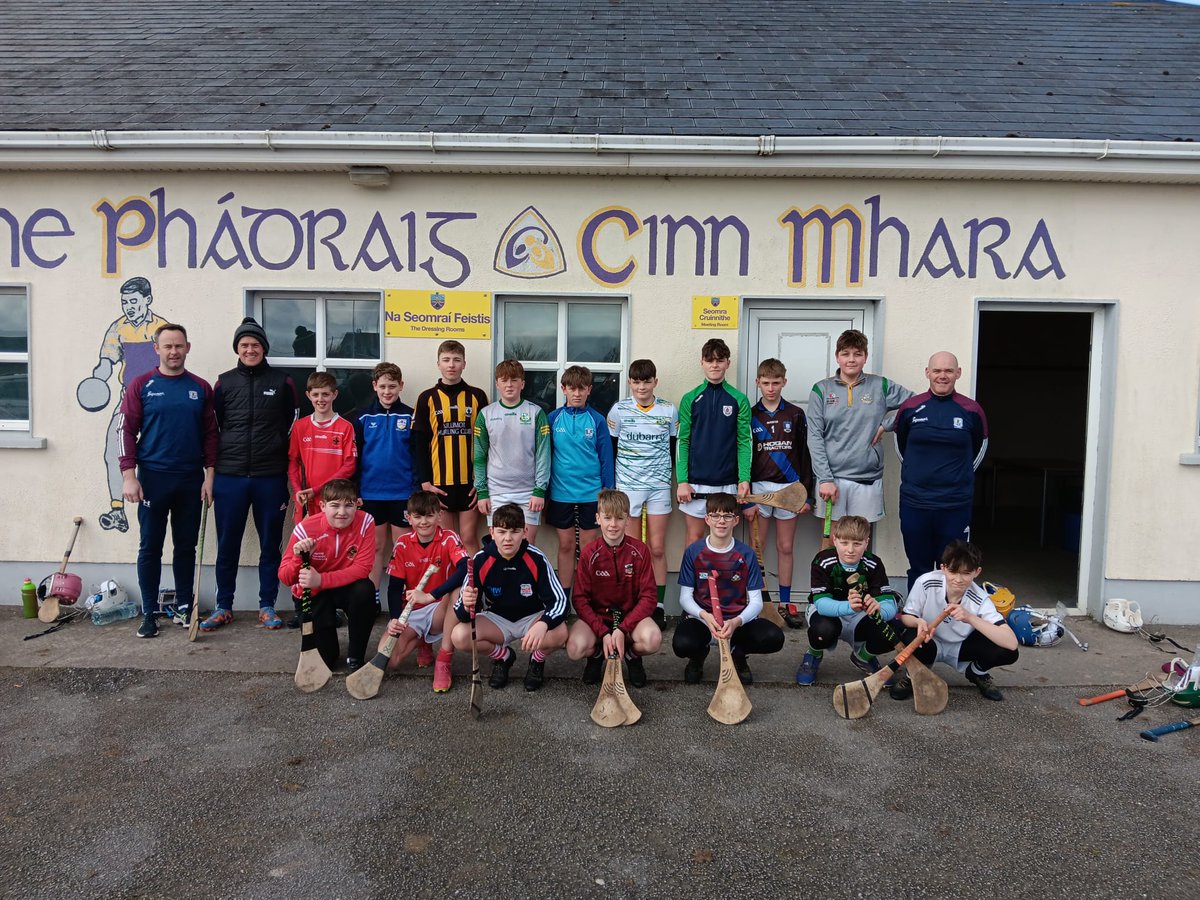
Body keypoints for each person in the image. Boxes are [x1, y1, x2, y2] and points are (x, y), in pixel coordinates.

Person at [117, 323, 217, 638]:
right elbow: (125, 431)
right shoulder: (141, 385)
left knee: (186, 547)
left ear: (188, 347)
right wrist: (129, 476)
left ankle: (185, 606)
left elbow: (212, 435)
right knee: (150, 547)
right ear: (156, 349)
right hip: (153, 479)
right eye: (167, 346)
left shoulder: (200, 387)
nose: (173, 352)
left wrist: (209, 477)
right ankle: (149, 613)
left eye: (179, 346)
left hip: (190, 479)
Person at [203, 317, 299, 632]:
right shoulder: (224, 382)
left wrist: (274, 447)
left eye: (255, 345)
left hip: (269, 475)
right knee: (227, 544)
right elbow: (212, 428)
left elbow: (292, 423)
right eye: (244, 345)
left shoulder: (282, 381)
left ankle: (267, 605)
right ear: (237, 349)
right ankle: (223, 606)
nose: (249, 350)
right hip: (230, 476)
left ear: (264, 348)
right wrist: (211, 473)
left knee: (270, 544)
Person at [81, 276, 169, 534]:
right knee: (112, 450)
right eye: (124, 302)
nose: (128, 306)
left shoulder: (161, 327)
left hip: (158, 398)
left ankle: (160, 500)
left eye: (133, 301)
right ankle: (117, 509)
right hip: (127, 398)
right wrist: (97, 380)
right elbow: (107, 361)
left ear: (147, 300)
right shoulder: (118, 328)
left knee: (157, 452)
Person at [894, 351, 989, 591]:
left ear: (958, 373)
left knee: (953, 567)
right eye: (937, 370)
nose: (942, 376)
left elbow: (978, 452)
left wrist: (956, 479)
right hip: (915, 502)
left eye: (948, 371)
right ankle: (917, 620)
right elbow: (901, 448)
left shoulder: (971, 410)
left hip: (954, 505)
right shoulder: (910, 408)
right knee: (918, 566)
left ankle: (948, 620)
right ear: (928, 373)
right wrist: (919, 474)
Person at [448, 503, 569, 692]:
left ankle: (537, 660)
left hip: (531, 619)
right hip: (497, 620)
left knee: (560, 631)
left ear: (525, 531)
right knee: (460, 636)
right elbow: (463, 615)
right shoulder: (480, 560)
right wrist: (466, 604)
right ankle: (503, 656)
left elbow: (560, 602)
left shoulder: (536, 558)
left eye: (514, 531)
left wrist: (543, 623)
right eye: (502, 531)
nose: (508, 538)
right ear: (492, 531)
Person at [806, 329, 912, 532]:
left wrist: (888, 425)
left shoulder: (880, 386)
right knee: (830, 542)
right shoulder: (821, 389)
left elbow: (917, 405)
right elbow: (814, 436)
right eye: (846, 354)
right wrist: (825, 478)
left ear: (865, 357)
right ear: (837, 357)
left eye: (858, 354)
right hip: (832, 480)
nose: (851, 359)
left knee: (859, 542)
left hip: (866, 479)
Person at [674, 493, 784, 685]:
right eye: (715, 516)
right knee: (682, 644)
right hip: (703, 621)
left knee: (774, 638)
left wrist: (735, 622)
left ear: (736, 520)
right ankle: (698, 656)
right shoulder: (694, 552)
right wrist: (704, 616)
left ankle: (737, 654)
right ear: (707, 519)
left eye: (727, 516)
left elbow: (757, 602)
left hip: (736, 622)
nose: (721, 521)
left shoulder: (746, 554)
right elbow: (685, 598)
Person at [891, 540, 1018, 702]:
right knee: (909, 635)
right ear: (943, 568)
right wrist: (919, 623)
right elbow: (906, 617)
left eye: (966, 573)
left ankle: (976, 672)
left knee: (1007, 651)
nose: (958, 579)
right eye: (953, 571)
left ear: (977, 572)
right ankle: (914, 674)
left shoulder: (981, 598)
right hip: (931, 642)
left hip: (962, 646)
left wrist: (970, 618)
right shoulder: (926, 582)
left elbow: (1012, 643)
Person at [565, 489, 662, 688]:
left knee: (652, 639)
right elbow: (580, 599)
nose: (613, 524)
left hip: (630, 620)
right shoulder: (589, 553)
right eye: (607, 518)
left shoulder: (640, 550)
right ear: (597, 518)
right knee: (574, 648)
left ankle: (631, 656)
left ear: (628, 520)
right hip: (599, 619)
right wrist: (603, 632)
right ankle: (598, 655)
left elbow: (649, 597)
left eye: (619, 518)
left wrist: (623, 628)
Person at [607, 358, 678, 627]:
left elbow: (674, 448)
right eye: (636, 381)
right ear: (629, 383)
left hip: (659, 485)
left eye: (647, 381)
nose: (642, 386)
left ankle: (657, 605)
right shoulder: (619, 410)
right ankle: (634, 603)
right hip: (628, 486)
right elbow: (611, 449)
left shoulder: (669, 410)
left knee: (657, 548)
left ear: (655, 382)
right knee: (632, 550)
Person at [278, 479, 377, 672]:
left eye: (349, 505)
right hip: (314, 593)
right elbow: (285, 577)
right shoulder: (306, 528)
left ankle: (355, 657)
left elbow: (362, 568)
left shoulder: (366, 521)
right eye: (335, 505)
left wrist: (321, 579)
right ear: (322, 506)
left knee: (365, 589)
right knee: (326, 661)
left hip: (342, 586)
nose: (342, 512)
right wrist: (300, 558)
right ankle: (327, 649)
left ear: (357, 504)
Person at [378, 490, 470, 692]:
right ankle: (423, 642)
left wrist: (431, 595)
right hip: (412, 610)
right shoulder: (402, 544)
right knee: (390, 660)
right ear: (408, 518)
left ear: (439, 516)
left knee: (457, 592)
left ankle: (444, 660)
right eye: (418, 516)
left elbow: (465, 567)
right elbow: (394, 588)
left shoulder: (448, 538)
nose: (424, 522)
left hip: (440, 607)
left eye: (429, 515)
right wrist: (395, 618)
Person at [744, 358, 813, 625]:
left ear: (784, 382)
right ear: (757, 383)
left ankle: (786, 604)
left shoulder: (795, 414)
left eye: (776, 383)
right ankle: (757, 603)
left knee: (785, 547)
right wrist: (746, 499)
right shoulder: (749, 414)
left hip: (789, 490)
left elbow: (805, 454)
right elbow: (744, 455)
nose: (770, 388)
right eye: (765, 383)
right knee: (755, 549)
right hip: (759, 491)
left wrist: (806, 493)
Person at [794, 515, 899, 685]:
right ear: (834, 540)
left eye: (857, 544)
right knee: (823, 630)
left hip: (859, 616)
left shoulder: (873, 563)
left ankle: (863, 657)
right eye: (844, 543)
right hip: (828, 613)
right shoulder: (823, 560)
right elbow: (821, 604)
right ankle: (813, 654)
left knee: (894, 630)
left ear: (866, 542)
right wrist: (850, 606)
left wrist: (879, 608)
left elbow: (890, 605)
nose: (850, 550)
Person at [413, 340, 490, 554]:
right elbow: (419, 442)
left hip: (470, 482)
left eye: (456, 360)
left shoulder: (477, 396)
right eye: (446, 360)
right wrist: (425, 482)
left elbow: (486, 441)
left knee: (468, 538)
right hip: (439, 483)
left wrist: (482, 480)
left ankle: (474, 586)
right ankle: (449, 587)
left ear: (464, 363)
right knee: (446, 540)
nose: (451, 365)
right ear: (438, 363)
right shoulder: (426, 398)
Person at [546, 365, 615, 594]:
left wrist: (607, 491)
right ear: (563, 389)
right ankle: (564, 596)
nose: (577, 394)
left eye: (582, 389)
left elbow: (606, 458)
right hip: (560, 492)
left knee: (588, 548)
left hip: (591, 493)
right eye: (572, 389)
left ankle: (586, 596)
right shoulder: (553, 419)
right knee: (565, 545)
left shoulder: (597, 420)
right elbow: (544, 457)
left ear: (589, 390)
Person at [676, 338, 752, 545]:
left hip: (726, 483)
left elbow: (745, 442)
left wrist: (744, 479)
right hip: (695, 482)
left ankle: (722, 579)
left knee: (724, 540)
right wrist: (682, 481)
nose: (715, 365)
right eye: (710, 360)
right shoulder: (690, 398)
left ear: (728, 363)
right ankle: (692, 579)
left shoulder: (739, 399)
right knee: (694, 539)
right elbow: (682, 441)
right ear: (702, 363)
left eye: (720, 360)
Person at [352, 362, 416, 600]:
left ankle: (403, 597)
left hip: (402, 494)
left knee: (402, 550)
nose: (387, 391)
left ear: (401, 386)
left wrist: (416, 489)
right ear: (374, 386)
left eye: (392, 386)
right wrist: (355, 489)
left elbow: (417, 455)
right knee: (376, 548)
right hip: (370, 494)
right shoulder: (363, 417)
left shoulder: (410, 416)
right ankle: (372, 597)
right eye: (383, 386)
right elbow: (356, 457)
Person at [474, 359, 551, 544]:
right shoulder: (486, 414)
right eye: (504, 380)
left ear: (522, 384)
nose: (509, 385)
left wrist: (539, 490)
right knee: (500, 545)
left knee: (527, 545)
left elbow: (543, 455)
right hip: (496, 491)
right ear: (497, 384)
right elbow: (479, 456)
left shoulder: (536, 412)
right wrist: (482, 492)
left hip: (528, 492)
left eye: (514, 380)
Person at [288, 372, 357, 521]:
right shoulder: (300, 426)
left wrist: (318, 489)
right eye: (316, 394)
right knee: (306, 543)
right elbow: (293, 461)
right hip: (306, 499)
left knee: (333, 543)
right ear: (308, 395)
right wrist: (297, 490)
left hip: (335, 500)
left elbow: (350, 465)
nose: (320, 399)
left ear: (335, 394)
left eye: (325, 394)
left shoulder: (345, 427)